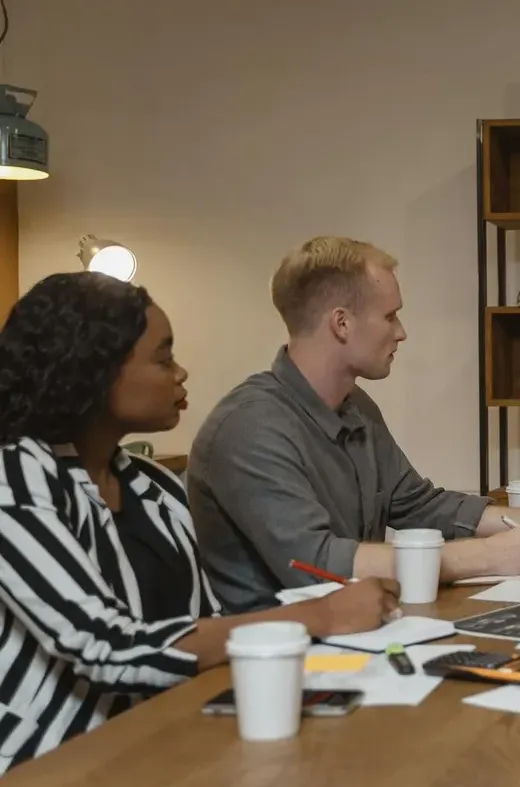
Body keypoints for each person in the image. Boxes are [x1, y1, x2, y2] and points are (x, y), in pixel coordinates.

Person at [0, 273, 399, 774]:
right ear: (95, 372)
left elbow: (205, 626)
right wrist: (323, 616)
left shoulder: (153, 485)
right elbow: (108, 647)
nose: (181, 373)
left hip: (167, 738)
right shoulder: (15, 478)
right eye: (164, 358)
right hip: (53, 760)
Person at [188, 237, 520, 612]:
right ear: (341, 323)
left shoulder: (356, 406)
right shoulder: (249, 429)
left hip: (361, 632)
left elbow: (418, 505)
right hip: (278, 659)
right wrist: (488, 556)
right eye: (390, 316)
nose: (401, 332)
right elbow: (316, 563)